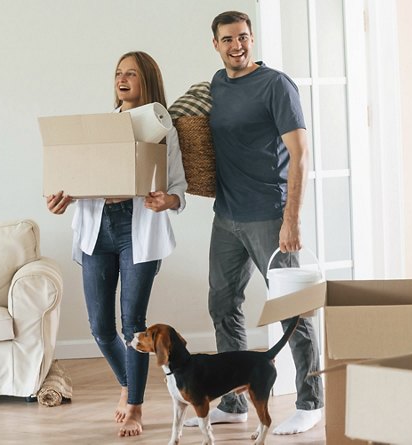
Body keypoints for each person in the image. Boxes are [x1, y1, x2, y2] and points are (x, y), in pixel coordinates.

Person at [183, 11, 324, 435]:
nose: (237, 45)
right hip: (226, 216)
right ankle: (232, 401)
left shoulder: (275, 85)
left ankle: (309, 401)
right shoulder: (217, 85)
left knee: (291, 311)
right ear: (216, 44)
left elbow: (299, 153)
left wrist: (291, 221)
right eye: (227, 39)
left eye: (243, 37)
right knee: (223, 306)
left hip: (270, 215)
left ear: (252, 39)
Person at [46, 51, 187, 438]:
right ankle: (129, 382)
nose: (122, 79)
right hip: (97, 229)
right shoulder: (99, 128)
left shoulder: (163, 129)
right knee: (99, 327)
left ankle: (136, 405)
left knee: (132, 325)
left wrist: (167, 201)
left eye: (131, 74)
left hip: (136, 228)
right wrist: (63, 198)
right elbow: (77, 179)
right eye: (117, 73)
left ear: (147, 81)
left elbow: (178, 188)